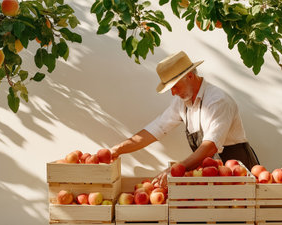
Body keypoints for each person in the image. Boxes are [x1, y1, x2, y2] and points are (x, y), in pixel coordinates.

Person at [110, 51, 259, 187]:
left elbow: (210, 146)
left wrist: (176, 169)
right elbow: (157, 128)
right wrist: (118, 150)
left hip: (237, 172)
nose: (173, 93)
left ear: (189, 75)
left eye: (175, 86)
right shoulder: (182, 103)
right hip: (212, 173)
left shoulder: (217, 101)